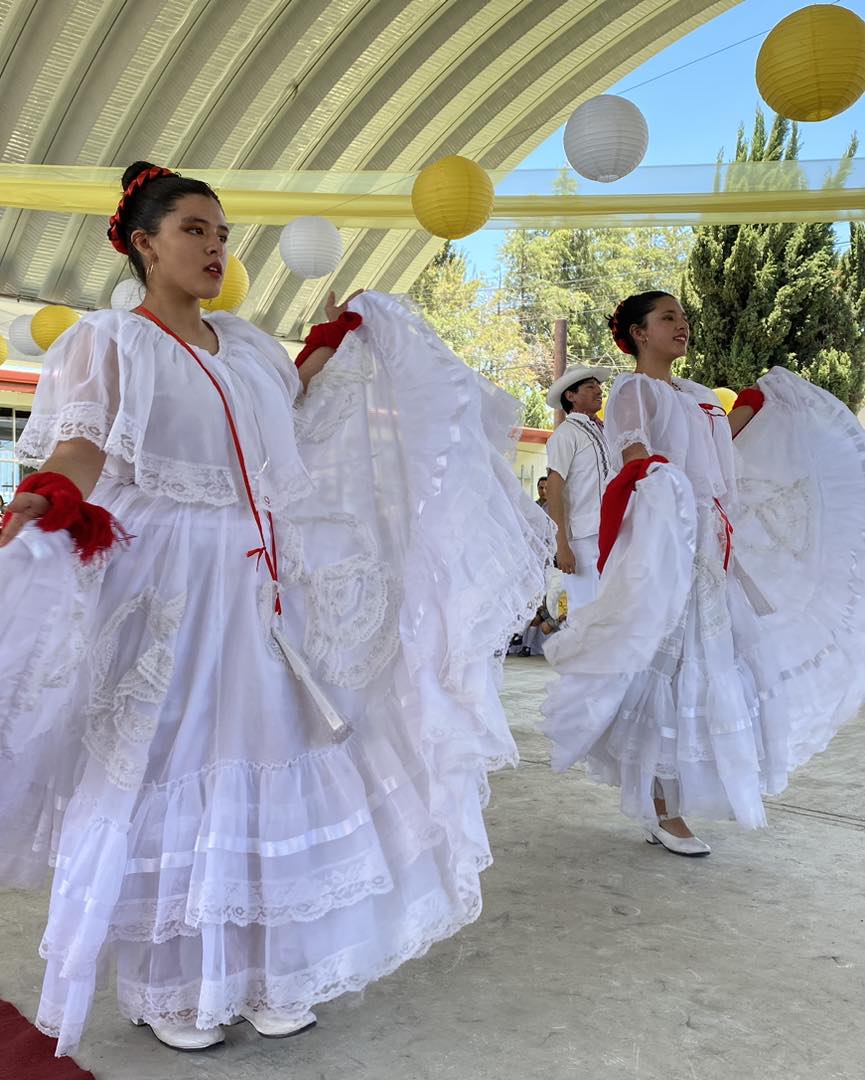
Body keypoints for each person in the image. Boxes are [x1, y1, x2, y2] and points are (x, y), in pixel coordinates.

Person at [0, 163, 551, 1055]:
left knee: (273, 748)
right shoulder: (111, 344)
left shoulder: (249, 347)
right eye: (193, 231)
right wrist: (46, 500)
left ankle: (268, 969)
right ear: (142, 245)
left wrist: (335, 336)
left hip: (261, 582)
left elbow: (291, 407)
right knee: (175, 756)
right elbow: (79, 451)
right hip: (168, 585)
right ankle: (173, 983)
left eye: (222, 234)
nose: (216, 248)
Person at [541, 290, 865, 857]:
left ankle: (667, 798)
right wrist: (659, 479)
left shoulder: (695, 395)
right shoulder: (633, 390)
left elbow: (719, 448)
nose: (681, 326)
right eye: (668, 318)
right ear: (639, 333)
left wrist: (761, 402)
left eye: (683, 318)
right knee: (674, 662)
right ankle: (664, 807)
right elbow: (637, 451)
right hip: (669, 541)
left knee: (713, 661)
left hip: (712, 541)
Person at [543, 364, 611, 612]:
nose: (599, 390)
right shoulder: (565, 434)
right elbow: (554, 489)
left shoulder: (604, 432)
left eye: (599, 386)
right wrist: (562, 545)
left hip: (610, 530)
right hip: (583, 536)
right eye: (590, 386)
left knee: (610, 608)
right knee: (585, 609)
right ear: (570, 396)